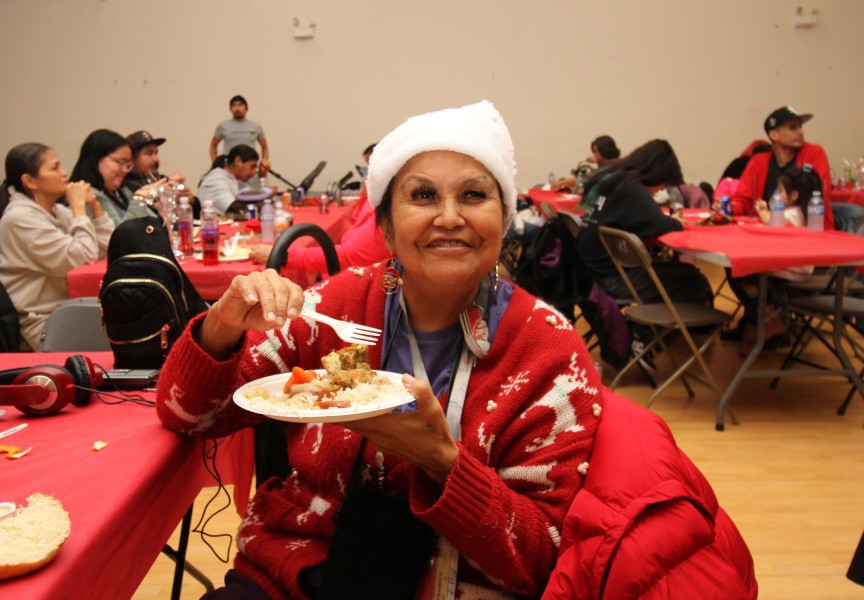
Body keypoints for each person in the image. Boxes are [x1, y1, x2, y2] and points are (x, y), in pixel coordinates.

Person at [155, 101, 603, 598]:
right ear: (386, 227)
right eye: (424, 195)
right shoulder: (338, 308)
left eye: (474, 195)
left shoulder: (548, 351)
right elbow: (191, 416)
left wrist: (441, 462)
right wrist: (222, 323)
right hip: (301, 571)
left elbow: (543, 557)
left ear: (505, 217)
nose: (450, 217)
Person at [0, 143, 114, 350]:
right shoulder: (19, 218)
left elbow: (109, 249)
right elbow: (81, 257)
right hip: (41, 323)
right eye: (55, 168)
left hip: (69, 309)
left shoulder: (58, 211)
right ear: (29, 181)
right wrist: (79, 208)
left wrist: (95, 208)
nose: (64, 174)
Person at [577, 139, 714, 307]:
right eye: (663, 183)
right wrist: (676, 222)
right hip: (612, 279)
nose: (660, 189)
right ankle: (657, 330)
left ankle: (654, 328)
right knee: (696, 281)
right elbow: (658, 223)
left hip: (589, 272)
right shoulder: (632, 188)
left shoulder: (611, 177)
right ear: (657, 173)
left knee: (681, 272)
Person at [247, 143, 389, 275]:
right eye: (367, 168)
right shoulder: (376, 202)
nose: (366, 175)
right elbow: (356, 220)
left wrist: (282, 256)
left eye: (372, 168)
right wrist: (364, 195)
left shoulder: (386, 216)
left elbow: (346, 258)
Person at [724, 167, 823, 354]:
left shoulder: (792, 214)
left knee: (740, 271)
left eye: (781, 191)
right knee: (741, 270)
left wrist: (762, 210)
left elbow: (771, 220)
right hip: (789, 265)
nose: (777, 195)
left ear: (794, 195)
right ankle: (765, 313)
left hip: (791, 267)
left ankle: (770, 313)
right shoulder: (802, 213)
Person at [730, 106, 835, 229]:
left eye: (800, 126)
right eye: (793, 127)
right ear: (774, 135)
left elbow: (816, 193)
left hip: (807, 230)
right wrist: (729, 208)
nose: (801, 132)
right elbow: (743, 199)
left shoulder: (814, 153)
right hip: (764, 229)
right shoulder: (758, 162)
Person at [69, 129, 163, 226]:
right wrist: (139, 198)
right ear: (97, 158)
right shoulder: (86, 194)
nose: (125, 170)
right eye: (120, 162)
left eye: (127, 164)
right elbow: (118, 237)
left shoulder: (121, 191)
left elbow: (155, 223)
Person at [209, 95, 271, 173]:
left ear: (246, 108)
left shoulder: (256, 126)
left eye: (240, 105)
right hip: (230, 168)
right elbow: (213, 146)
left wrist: (264, 160)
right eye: (234, 105)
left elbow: (264, 146)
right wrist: (216, 163)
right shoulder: (223, 126)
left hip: (250, 169)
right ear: (230, 109)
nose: (237, 108)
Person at [197, 144, 259, 215]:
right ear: (238, 161)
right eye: (252, 167)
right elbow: (237, 210)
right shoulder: (216, 180)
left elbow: (252, 199)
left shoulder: (237, 179)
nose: (254, 172)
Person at [552, 134, 621, 192]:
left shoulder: (614, 167)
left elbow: (583, 179)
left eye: (595, 151)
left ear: (604, 150)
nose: (594, 155)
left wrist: (560, 183)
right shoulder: (606, 166)